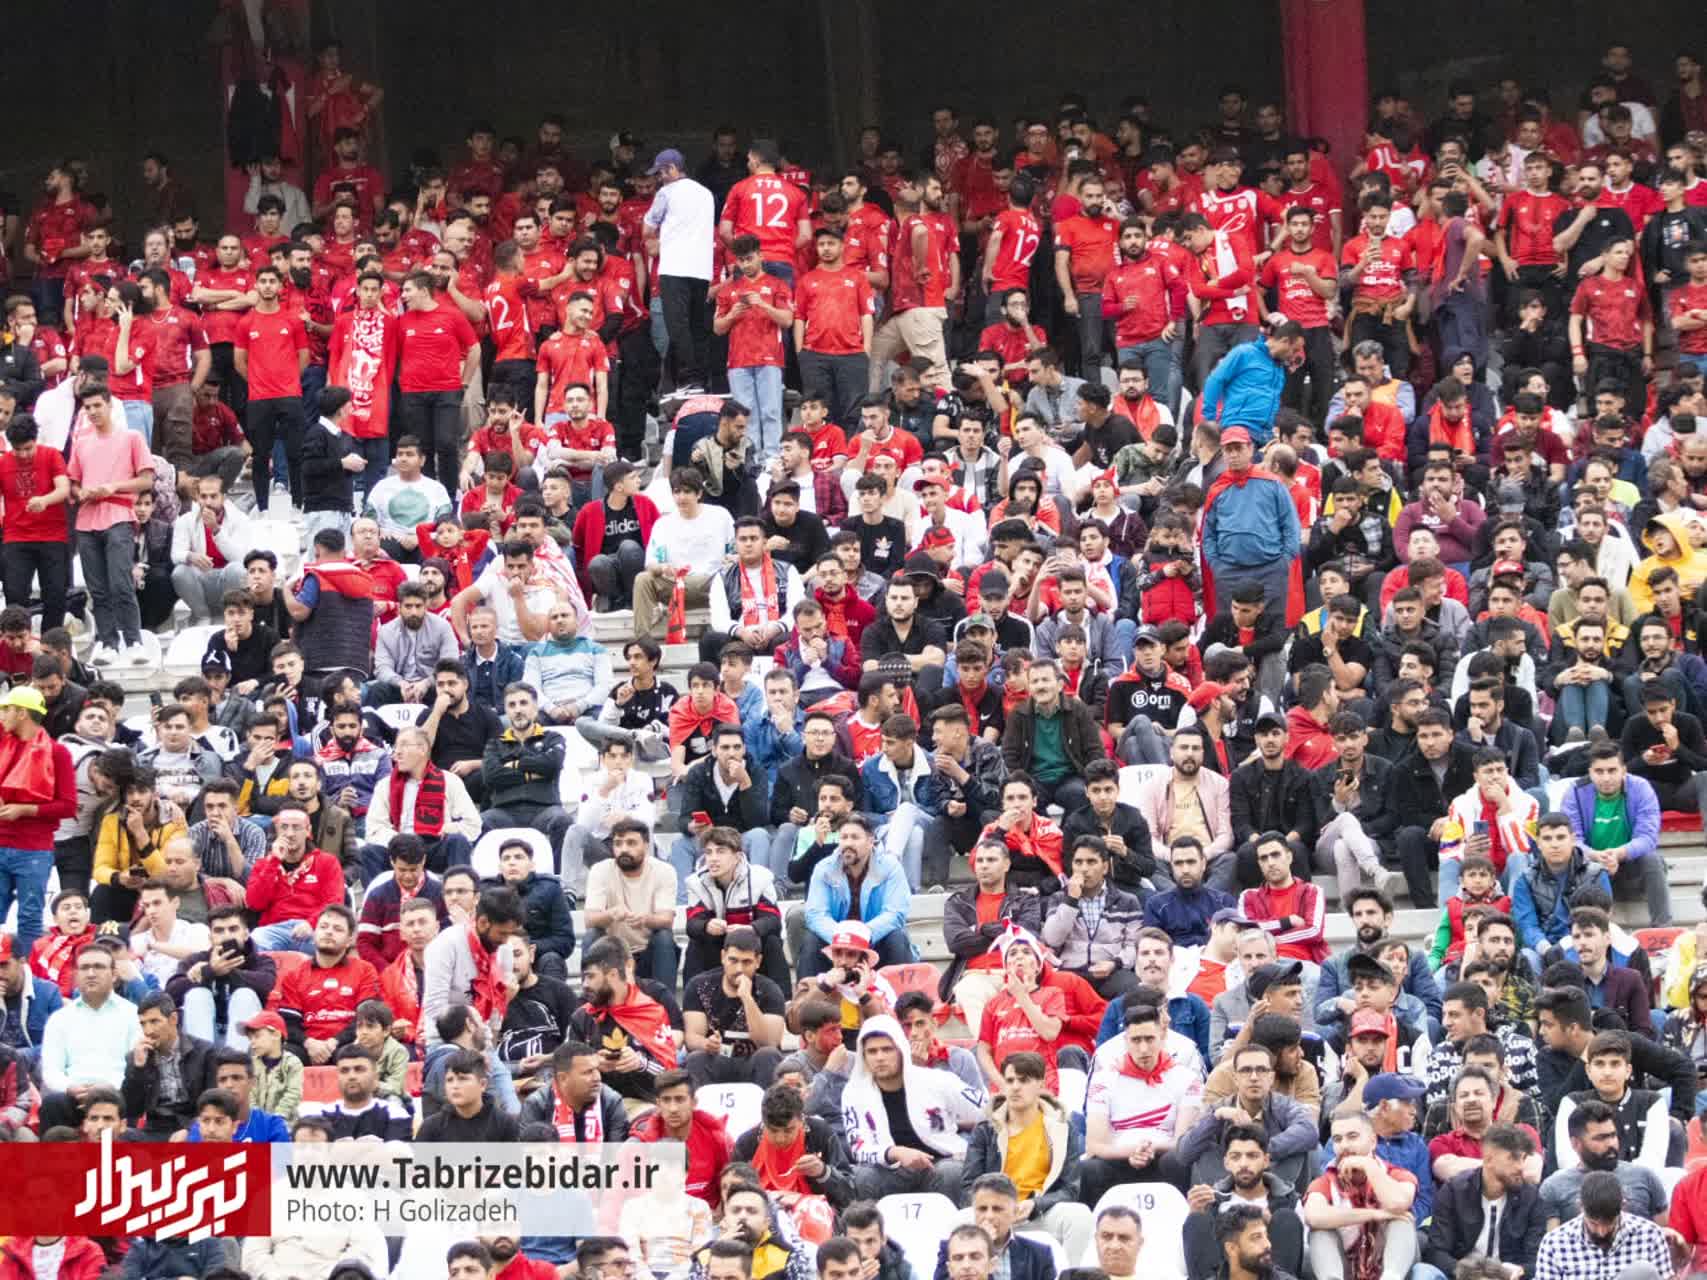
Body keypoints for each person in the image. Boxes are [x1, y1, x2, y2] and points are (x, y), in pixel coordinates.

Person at [841, 1014, 984, 1200]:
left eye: (887, 1049)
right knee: (861, 1176)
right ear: (864, 1056)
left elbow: (986, 1110)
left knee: (951, 1172)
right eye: (872, 1051)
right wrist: (895, 1153)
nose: (880, 1057)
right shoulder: (854, 1092)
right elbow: (859, 1148)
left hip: (940, 1164)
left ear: (901, 1050)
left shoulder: (937, 1080)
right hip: (889, 1169)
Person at [68, 383, 153, 666]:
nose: (93, 411)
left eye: (97, 405)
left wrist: (113, 487)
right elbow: (74, 482)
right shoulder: (81, 442)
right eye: (87, 407)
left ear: (109, 405)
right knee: (97, 588)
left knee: (120, 583)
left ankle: (134, 641)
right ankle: (107, 642)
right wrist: (81, 492)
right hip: (87, 519)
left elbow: (146, 480)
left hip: (118, 514)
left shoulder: (131, 437)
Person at [1080, 1002, 1200, 1202]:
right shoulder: (1103, 1080)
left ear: (1162, 1037)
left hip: (1163, 1157)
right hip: (1118, 1157)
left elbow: (1181, 1142)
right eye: (1136, 1040)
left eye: (1149, 1039)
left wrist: (1150, 1149)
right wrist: (1133, 1151)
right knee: (1088, 1169)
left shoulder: (1187, 1079)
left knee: (1178, 1160)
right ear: (1125, 1041)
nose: (1143, 1049)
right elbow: (1095, 1145)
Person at [1303, 1107, 1420, 1280]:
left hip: (1395, 1267)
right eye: (1337, 1139)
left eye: (1352, 1136)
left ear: (1373, 1141)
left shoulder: (1397, 1175)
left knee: (1400, 1219)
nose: (1344, 1145)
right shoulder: (1325, 1181)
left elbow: (1397, 1203)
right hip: (1345, 1270)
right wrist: (1373, 1214)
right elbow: (1313, 1216)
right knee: (1320, 1230)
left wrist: (1369, 1166)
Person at [1559, 743, 1669, 923]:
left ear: (1623, 770)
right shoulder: (1575, 792)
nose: (1606, 778)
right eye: (1599, 771)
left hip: (1631, 868)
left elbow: (1648, 837)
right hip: (1592, 870)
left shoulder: (1641, 788)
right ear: (1590, 772)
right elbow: (1571, 839)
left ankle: (1663, 927)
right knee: (1570, 860)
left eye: (1612, 770)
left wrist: (1618, 854)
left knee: (1652, 859)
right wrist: (1595, 856)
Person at [37, 944, 140, 1131]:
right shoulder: (60, 1019)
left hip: (118, 1093)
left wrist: (105, 1090)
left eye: (99, 967)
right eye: (84, 968)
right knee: (52, 1104)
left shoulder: (132, 1015)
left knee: (132, 1097)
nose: (91, 973)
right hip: (73, 1096)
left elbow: (135, 1068)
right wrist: (71, 1087)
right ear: (76, 975)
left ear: (114, 974)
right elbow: (51, 1071)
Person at [568, 936, 681, 1104]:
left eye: (591, 977)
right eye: (584, 978)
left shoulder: (650, 1012)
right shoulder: (582, 1016)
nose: (584, 984)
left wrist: (640, 1063)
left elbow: (670, 1075)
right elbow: (568, 1075)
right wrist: (593, 1063)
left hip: (644, 1104)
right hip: (596, 1105)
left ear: (613, 974)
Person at [1040, 836, 1142, 1004]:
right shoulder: (1059, 899)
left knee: (1134, 988)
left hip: (1111, 972)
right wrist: (1071, 900)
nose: (1084, 869)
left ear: (1105, 867)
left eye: (1091, 862)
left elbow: (1133, 945)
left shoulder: (1127, 901)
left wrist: (1115, 963)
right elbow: (1052, 939)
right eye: (1078, 862)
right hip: (1071, 971)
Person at [682, 925, 787, 1088]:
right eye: (733, 960)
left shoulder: (770, 990)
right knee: (696, 1059)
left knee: (768, 1056)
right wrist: (706, 1044)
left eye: (747, 962)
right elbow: (691, 1037)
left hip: (753, 1061)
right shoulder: (699, 985)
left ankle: (769, 1105)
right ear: (723, 957)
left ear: (758, 962)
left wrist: (747, 998)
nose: (739, 969)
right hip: (716, 1058)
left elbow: (768, 1043)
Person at [420, 887, 524, 1048]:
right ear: (482, 922)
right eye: (502, 933)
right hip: (444, 1041)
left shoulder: (504, 949)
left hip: (482, 1041)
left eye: (510, 934)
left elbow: (494, 1021)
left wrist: (504, 999)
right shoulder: (445, 944)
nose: (506, 941)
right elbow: (435, 1008)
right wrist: (472, 1028)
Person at [584, 818, 679, 989]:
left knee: (664, 937)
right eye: (618, 844)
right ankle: (591, 999)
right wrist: (611, 914)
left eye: (631, 843)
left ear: (646, 846)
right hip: (613, 953)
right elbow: (589, 920)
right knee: (592, 934)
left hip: (648, 952)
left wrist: (645, 919)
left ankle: (665, 1002)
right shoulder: (600, 870)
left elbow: (667, 920)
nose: (623, 849)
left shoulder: (664, 871)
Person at [1531, 1169, 1673, 1280]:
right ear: (1580, 1207)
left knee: (1642, 1270)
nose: (1601, 1232)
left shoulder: (1650, 1235)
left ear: (1623, 1206)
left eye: (1609, 1223)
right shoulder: (1555, 1243)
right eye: (1593, 1223)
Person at [119, 990, 216, 1139]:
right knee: (120, 1137)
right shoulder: (137, 1057)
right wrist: (138, 1069)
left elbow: (214, 1102)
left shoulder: (204, 1052)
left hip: (194, 1126)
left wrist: (191, 1129)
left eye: (154, 1022)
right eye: (143, 1024)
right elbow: (131, 1110)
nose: (148, 1031)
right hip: (155, 1130)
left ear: (173, 1019)